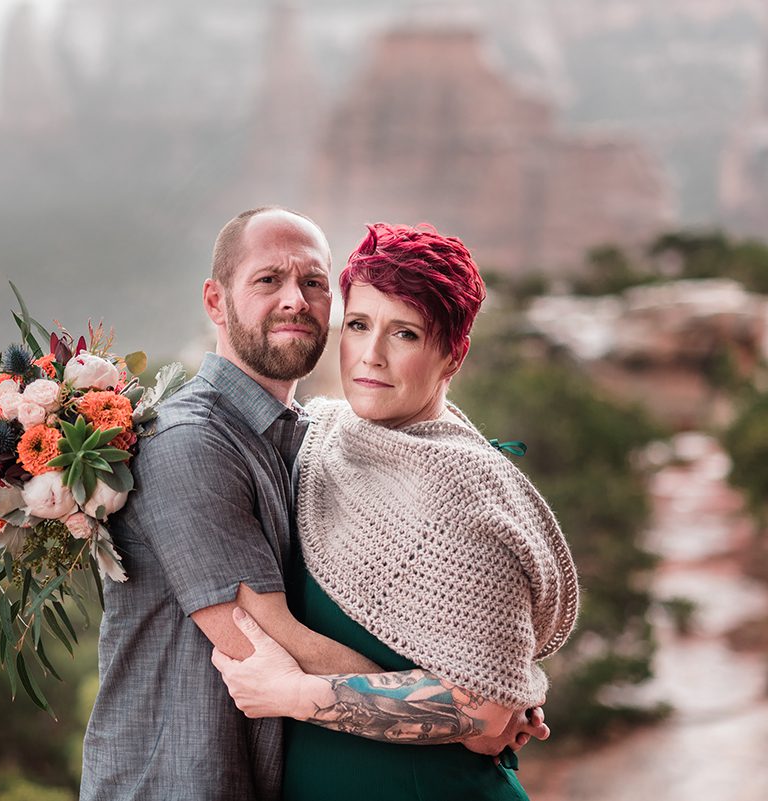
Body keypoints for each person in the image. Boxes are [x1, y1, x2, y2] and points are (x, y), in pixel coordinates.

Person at [79, 209, 548, 801]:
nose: (295, 300)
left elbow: (471, 639)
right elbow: (261, 638)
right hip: (179, 777)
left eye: (315, 283)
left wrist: (489, 691)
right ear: (216, 302)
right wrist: (468, 716)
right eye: (267, 280)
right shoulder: (189, 442)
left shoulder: (314, 437)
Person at [210, 222, 580, 800]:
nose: (372, 356)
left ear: (452, 354)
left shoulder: (463, 488)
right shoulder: (323, 437)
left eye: (404, 334)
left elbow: (484, 714)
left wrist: (292, 695)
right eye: (358, 325)